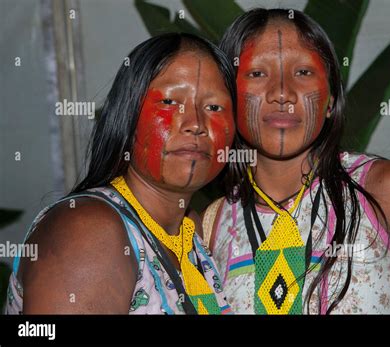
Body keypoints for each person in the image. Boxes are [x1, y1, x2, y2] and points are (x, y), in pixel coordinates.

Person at [202, 8, 390, 314]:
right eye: (257, 73)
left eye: (303, 72)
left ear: (330, 100)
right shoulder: (211, 227)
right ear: (227, 98)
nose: (281, 93)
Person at [6, 33, 236, 314]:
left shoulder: (192, 233)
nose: (196, 124)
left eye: (214, 107)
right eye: (168, 102)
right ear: (126, 116)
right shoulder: (88, 231)